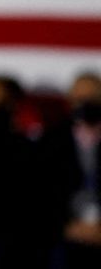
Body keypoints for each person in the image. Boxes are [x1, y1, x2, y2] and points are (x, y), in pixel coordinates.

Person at [37, 71, 101, 269]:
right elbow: (41, 194)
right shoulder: (51, 141)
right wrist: (67, 227)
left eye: (92, 98)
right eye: (80, 98)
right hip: (64, 231)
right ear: (70, 100)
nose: (85, 103)